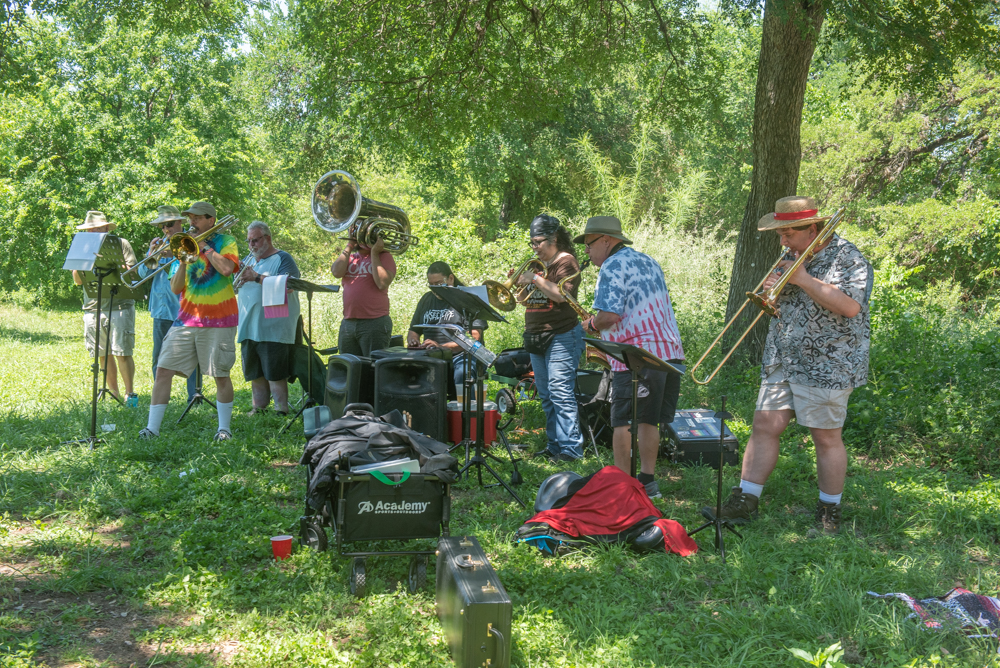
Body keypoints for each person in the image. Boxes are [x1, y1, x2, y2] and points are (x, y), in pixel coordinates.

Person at [708, 196, 873, 535]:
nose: (782, 241)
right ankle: (746, 501)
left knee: (825, 438)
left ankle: (829, 513)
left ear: (813, 228)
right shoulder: (793, 254)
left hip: (828, 362)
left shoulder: (849, 257)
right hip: (782, 356)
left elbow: (851, 307)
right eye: (779, 234)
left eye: (788, 233)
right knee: (764, 426)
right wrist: (774, 291)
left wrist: (802, 279)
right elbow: (787, 300)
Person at [576, 215, 685, 498]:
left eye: (588, 244)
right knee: (651, 421)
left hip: (636, 355)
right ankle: (648, 482)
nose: (586, 251)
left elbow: (610, 316)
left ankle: (621, 486)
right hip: (669, 352)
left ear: (606, 240)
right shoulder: (649, 261)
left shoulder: (612, 265)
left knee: (622, 422)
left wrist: (589, 325)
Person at [138, 201, 240, 441]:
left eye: (196, 218)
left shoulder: (226, 242)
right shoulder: (183, 246)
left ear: (210, 220)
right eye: (190, 218)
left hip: (219, 320)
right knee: (163, 369)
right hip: (186, 320)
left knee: (220, 374)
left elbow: (226, 269)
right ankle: (152, 429)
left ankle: (224, 429)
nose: (191, 222)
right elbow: (175, 288)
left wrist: (203, 247)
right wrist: (183, 259)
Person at [516, 214, 584, 463]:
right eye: (532, 243)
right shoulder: (537, 264)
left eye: (538, 242)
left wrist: (534, 278)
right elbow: (524, 300)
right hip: (536, 334)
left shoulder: (567, 262)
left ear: (553, 239)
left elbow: (560, 296)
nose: (534, 248)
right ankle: (555, 446)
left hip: (561, 334)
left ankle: (571, 449)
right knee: (545, 394)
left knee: (560, 391)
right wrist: (521, 284)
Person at [71, 210, 139, 407]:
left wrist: (109, 262)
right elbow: (77, 280)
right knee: (103, 353)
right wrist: (84, 261)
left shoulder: (121, 244)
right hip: (93, 307)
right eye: (90, 229)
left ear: (106, 228)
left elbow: (132, 273)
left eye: (99, 228)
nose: (94, 232)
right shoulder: (82, 246)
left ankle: (130, 394)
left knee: (122, 352)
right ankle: (113, 394)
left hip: (120, 305)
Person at [233, 221, 301, 415]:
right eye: (248, 241)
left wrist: (256, 277)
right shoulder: (250, 259)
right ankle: (259, 408)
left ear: (268, 239)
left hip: (273, 326)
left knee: (275, 373)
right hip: (249, 326)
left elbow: (289, 286)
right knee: (255, 373)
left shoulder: (283, 258)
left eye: (255, 240)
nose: (251, 245)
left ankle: (281, 410)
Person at [135, 206, 198, 403]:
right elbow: (143, 275)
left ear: (180, 223)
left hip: (183, 309)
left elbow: (191, 270)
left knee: (190, 355)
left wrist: (170, 256)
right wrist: (151, 255)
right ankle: (160, 397)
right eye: (162, 226)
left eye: (169, 224)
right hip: (161, 310)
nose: (165, 229)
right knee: (158, 356)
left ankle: (194, 397)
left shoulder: (189, 242)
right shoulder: (159, 244)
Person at [406, 261, 488, 399]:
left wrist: (441, 348)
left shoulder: (468, 299)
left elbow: (474, 337)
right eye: (431, 285)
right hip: (431, 354)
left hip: (461, 355)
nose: (435, 289)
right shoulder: (426, 299)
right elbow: (414, 329)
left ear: (451, 278)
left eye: (439, 284)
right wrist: (413, 341)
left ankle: (466, 414)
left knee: (462, 373)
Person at [330, 229, 396, 356]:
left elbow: (382, 283)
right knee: (349, 367)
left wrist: (374, 253)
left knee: (373, 368)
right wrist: (349, 245)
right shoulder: (350, 257)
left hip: (374, 322)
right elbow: (336, 272)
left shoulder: (385, 256)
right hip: (348, 322)